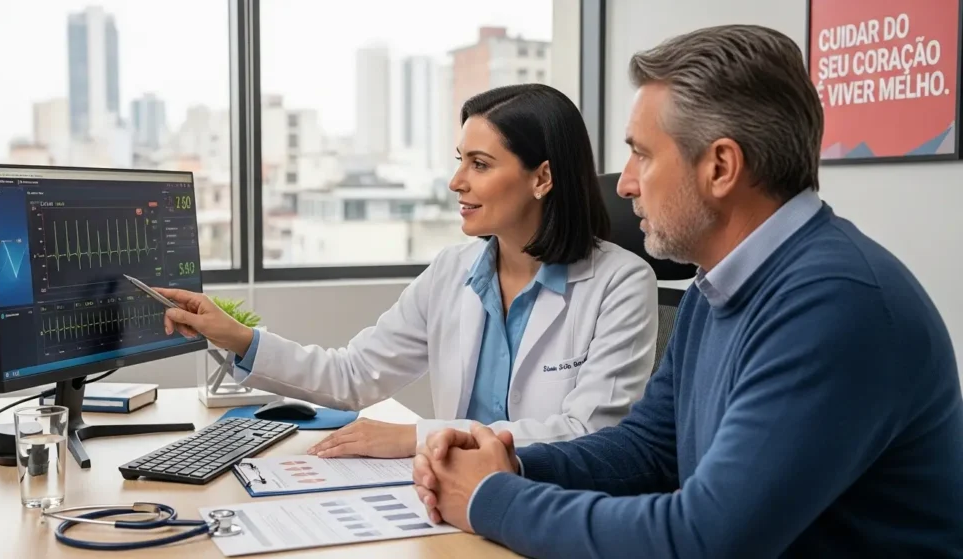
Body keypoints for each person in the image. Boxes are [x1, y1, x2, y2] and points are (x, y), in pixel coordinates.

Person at [412, 24, 963, 558]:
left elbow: (703, 540)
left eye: (643, 155)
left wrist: (491, 497)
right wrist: (510, 462)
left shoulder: (834, 303)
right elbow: (649, 451)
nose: (624, 183)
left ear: (720, 166)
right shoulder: (717, 285)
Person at [159, 83, 659, 460]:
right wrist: (239, 338)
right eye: (460, 160)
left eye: (480, 165)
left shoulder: (620, 283)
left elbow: (589, 435)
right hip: (452, 502)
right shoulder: (452, 271)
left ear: (542, 177)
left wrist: (417, 437)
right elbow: (353, 374)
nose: (455, 181)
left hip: (549, 506)